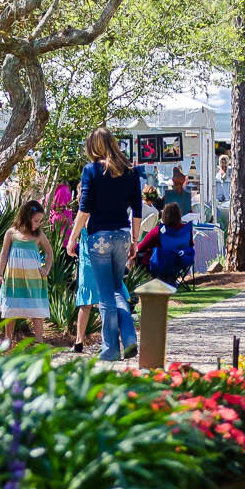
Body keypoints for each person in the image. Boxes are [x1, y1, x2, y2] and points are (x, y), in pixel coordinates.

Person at [66, 127, 141, 361]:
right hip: (122, 235)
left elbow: (84, 208)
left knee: (106, 294)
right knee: (117, 288)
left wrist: (72, 238)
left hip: (98, 237)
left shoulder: (91, 171)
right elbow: (137, 210)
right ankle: (128, 337)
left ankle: (110, 349)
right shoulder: (130, 171)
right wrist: (135, 240)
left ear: (93, 147)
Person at [0, 199, 52, 346]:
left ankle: (39, 340)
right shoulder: (11, 233)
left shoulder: (39, 235)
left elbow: (49, 253)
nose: (38, 224)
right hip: (14, 279)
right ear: (26, 217)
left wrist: (46, 268)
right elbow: (3, 254)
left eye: (40, 221)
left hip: (33, 279)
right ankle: (8, 340)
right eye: (36, 221)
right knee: (11, 309)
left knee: (36, 309)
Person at [135, 202, 197, 285]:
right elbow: (190, 245)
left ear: (164, 215)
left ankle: (140, 282)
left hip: (160, 264)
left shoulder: (158, 231)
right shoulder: (186, 230)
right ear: (179, 215)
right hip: (180, 263)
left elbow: (141, 247)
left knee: (137, 255)